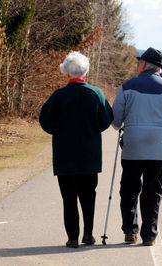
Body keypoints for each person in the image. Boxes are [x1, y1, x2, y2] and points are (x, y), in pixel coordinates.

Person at [112, 47, 162, 246]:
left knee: (129, 190)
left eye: (139, 62)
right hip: (158, 148)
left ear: (144, 64)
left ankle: (130, 230)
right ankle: (150, 235)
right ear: (159, 68)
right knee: (153, 192)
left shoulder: (127, 86)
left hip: (133, 147)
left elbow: (115, 120)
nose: (138, 65)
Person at [39, 51, 113, 248]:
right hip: (89, 156)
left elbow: (45, 121)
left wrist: (57, 131)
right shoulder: (95, 93)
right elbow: (106, 119)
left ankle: (73, 237)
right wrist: (93, 128)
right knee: (89, 196)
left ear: (67, 73)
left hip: (65, 157)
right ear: (85, 73)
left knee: (69, 198)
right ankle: (88, 234)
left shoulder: (58, 96)